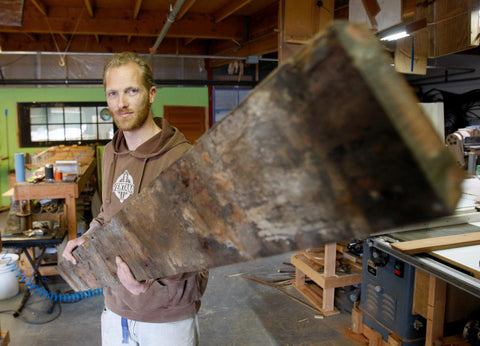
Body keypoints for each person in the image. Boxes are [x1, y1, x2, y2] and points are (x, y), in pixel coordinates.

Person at [62, 52, 208, 346]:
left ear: (151, 93)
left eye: (132, 90)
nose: (121, 103)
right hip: (115, 308)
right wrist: (87, 238)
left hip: (166, 316)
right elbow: (107, 214)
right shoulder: (110, 153)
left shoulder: (183, 159)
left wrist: (149, 276)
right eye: (113, 93)